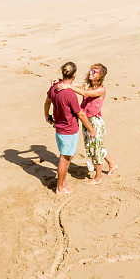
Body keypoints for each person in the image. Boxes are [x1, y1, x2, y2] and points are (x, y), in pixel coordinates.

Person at [57, 63, 117, 185]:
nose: (90, 72)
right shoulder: (88, 86)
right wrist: (60, 81)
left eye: (94, 71)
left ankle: (98, 178)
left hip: (95, 123)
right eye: (91, 70)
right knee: (95, 146)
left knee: (95, 150)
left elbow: (85, 94)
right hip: (86, 122)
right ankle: (112, 165)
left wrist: (67, 87)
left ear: (101, 76)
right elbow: (74, 84)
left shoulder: (100, 90)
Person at [44, 62, 96, 195]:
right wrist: (90, 129)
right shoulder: (69, 94)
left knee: (67, 155)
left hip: (59, 128)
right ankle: (60, 187)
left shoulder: (55, 87)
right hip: (69, 130)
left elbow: (47, 102)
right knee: (65, 157)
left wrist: (47, 116)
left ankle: (62, 183)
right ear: (75, 74)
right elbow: (81, 114)